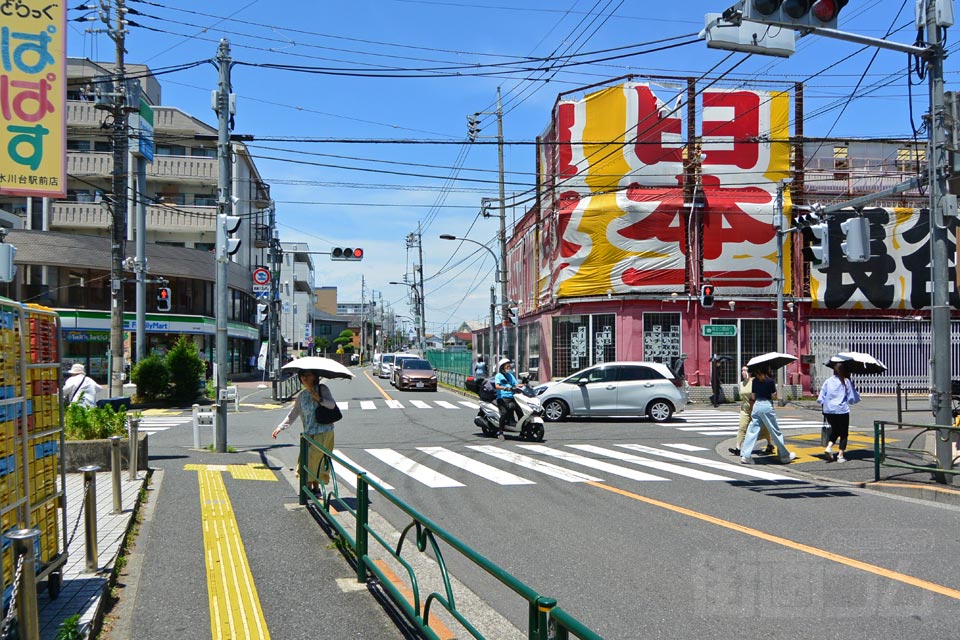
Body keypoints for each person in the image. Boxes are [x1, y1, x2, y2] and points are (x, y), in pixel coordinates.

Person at [272, 369, 339, 493]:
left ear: (314, 376)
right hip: (308, 434)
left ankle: (311, 487)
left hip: (324, 432)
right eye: (302, 375)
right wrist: (280, 427)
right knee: (308, 459)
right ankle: (314, 488)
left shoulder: (322, 389)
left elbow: (332, 405)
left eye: (308, 375)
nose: (304, 378)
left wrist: (319, 398)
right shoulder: (302, 396)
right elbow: (293, 413)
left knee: (314, 460)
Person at [740, 367, 796, 465]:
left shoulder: (755, 381)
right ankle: (784, 456)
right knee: (775, 431)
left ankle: (746, 455)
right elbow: (773, 396)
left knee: (752, 431)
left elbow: (753, 396)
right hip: (766, 405)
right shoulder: (770, 381)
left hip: (757, 405)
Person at [817, 361, 860, 463]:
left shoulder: (828, 381)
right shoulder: (846, 381)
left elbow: (821, 397)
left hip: (828, 410)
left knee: (835, 430)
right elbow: (852, 398)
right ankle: (840, 455)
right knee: (844, 433)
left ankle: (829, 447)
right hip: (842, 410)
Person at [729, 366, 774, 457]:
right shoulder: (741, 384)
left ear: (750, 372)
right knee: (742, 427)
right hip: (745, 409)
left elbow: (758, 393)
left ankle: (769, 444)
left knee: (764, 427)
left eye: (745, 370)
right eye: (742, 370)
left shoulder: (754, 381)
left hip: (755, 408)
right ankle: (738, 448)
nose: (743, 372)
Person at [494, 358, 521, 440]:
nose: (509, 367)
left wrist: (525, 385)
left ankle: (523, 431)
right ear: (502, 367)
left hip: (513, 397)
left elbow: (516, 384)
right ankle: (500, 432)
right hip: (502, 398)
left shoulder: (510, 376)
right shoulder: (498, 376)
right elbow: (497, 386)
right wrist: (505, 388)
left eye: (509, 366)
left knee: (520, 411)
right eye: (507, 366)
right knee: (504, 413)